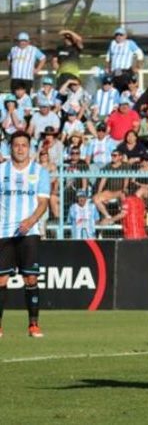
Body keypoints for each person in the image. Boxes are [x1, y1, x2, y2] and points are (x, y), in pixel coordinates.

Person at [0, 131, 49, 338]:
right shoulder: (1, 170)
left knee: (30, 278)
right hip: (3, 231)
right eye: (16, 145)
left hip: (29, 231)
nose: (20, 148)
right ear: (10, 148)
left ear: (29, 148)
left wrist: (31, 221)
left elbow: (43, 202)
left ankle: (33, 325)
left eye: (24, 145)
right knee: (1, 280)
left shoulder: (40, 171)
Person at [93, 150, 129, 222]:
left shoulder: (125, 166)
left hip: (120, 191)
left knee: (123, 195)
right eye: (112, 155)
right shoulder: (108, 166)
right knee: (95, 198)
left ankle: (123, 219)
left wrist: (124, 188)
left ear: (120, 157)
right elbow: (103, 180)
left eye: (115, 155)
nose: (112, 157)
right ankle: (108, 217)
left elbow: (126, 179)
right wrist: (99, 192)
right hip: (109, 192)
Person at [105, 27, 144, 93]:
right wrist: (107, 67)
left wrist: (138, 66)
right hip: (114, 73)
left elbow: (140, 54)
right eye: (117, 34)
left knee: (126, 93)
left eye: (121, 34)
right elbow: (108, 56)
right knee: (115, 92)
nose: (119, 36)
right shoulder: (112, 43)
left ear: (125, 36)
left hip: (125, 73)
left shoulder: (130, 43)